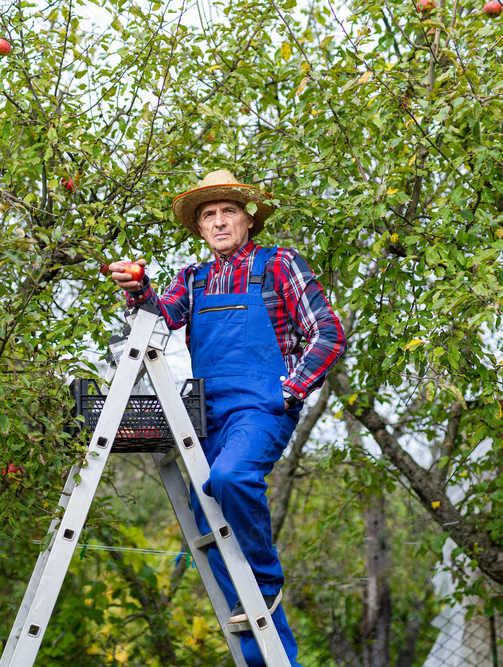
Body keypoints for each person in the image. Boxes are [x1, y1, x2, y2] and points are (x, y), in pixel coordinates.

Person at [106, 169, 346, 666]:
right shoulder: (192, 278)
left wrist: (290, 390)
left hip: (260, 407)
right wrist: (135, 286)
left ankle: (264, 580)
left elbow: (328, 333)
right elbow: (159, 316)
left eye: (228, 211)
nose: (218, 222)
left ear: (248, 219)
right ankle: (269, 655)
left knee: (232, 478)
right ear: (198, 228)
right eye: (208, 215)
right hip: (207, 414)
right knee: (208, 521)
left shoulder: (280, 264)